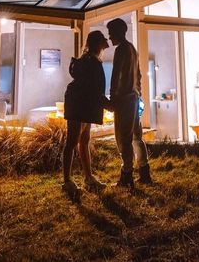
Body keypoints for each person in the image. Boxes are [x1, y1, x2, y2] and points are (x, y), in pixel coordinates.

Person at [62, 30, 110, 200]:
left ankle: (88, 178)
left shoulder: (89, 60)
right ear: (97, 44)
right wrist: (107, 104)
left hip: (81, 103)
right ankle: (67, 181)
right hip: (79, 104)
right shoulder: (92, 62)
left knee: (83, 140)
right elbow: (93, 88)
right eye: (104, 40)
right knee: (73, 141)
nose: (107, 42)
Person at [106, 17, 151, 188]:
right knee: (136, 137)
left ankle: (126, 176)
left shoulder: (121, 50)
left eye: (111, 34)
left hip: (124, 100)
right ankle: (144, 171)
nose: (110, 38)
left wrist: (112, 98)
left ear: (118, 32)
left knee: (123, 139)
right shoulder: (132, 49)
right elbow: (138, 75)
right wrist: (138, 94)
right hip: (133, 98)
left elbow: (115, 76)